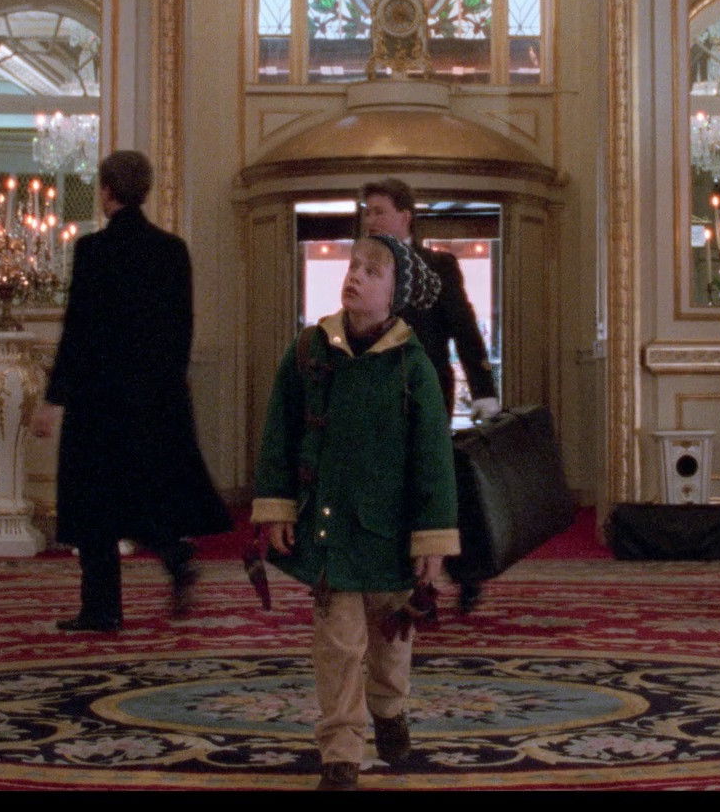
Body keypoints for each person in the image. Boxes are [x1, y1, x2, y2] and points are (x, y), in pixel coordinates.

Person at [252, 233, 459, 790]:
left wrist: (433, 540)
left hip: (392, 537)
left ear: (396, 293)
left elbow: (434, 460)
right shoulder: (309, 349)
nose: (356, 276)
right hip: (331, 531)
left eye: (372, 271)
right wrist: (277, 506)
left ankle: (389, 711)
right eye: (353, 266)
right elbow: (279, 433)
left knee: (390, 643)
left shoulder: (413, 365)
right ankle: (341, 751)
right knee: (338, 646)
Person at [31, 150, 232, 633]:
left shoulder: (93, 250)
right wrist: (168, 387)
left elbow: (79, 331)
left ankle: (101, 608)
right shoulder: (172, 250)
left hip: (98, 401)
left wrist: (54, 398)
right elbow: (181, 329)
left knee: (95, 505)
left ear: (106, 191)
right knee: (147, 492)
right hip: (156, 398)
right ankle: (176, 557)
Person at [359, 178, 500, 423]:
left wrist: (483, 391)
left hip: (426, 393)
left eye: (379, 212)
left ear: (405, 217)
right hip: (373, 397)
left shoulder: (437, 266)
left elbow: (464, 328)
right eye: (367, 213)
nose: (370, 221)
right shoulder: (362, 270)